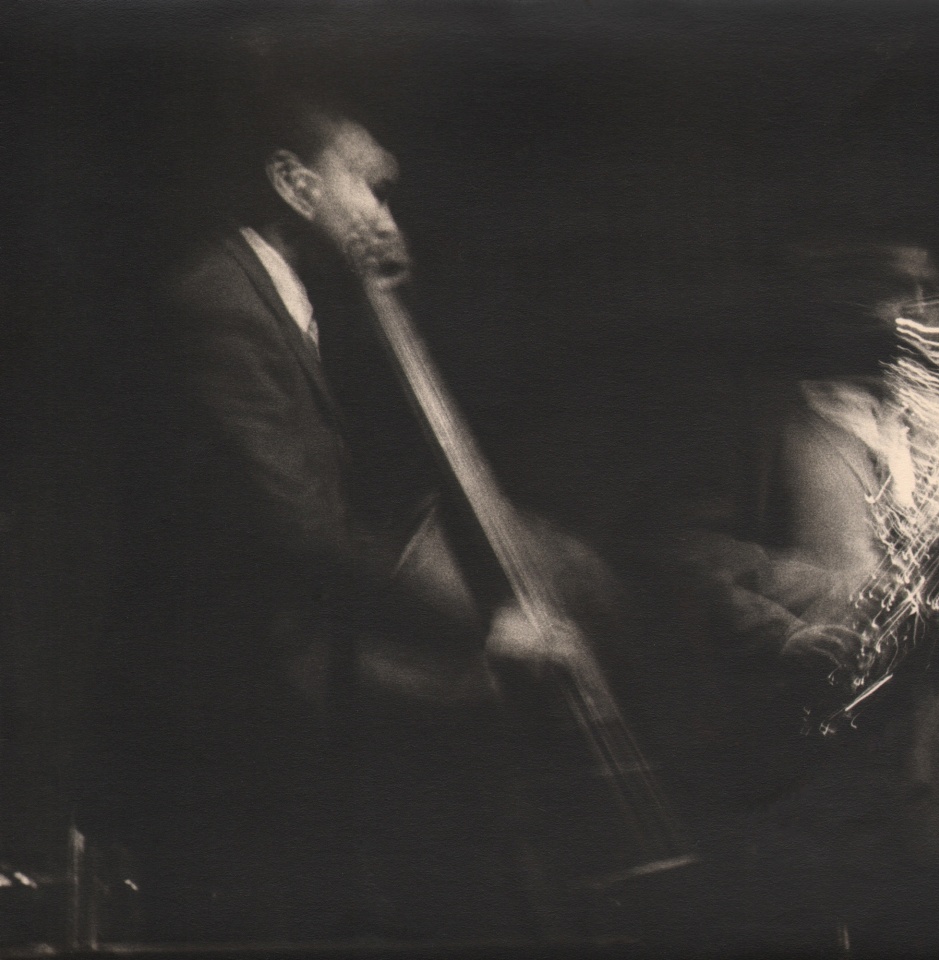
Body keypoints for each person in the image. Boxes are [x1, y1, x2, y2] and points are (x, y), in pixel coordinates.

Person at [92, 95, 599, 943]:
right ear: (294, 183)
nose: (384, 213)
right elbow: (292, 528)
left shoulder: (283, 297)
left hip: (281, 700)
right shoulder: (218, 300)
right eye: (370, 187)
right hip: (234, 716)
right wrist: (488, 628)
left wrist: (385, 297)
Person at [666, 243, 939, 950]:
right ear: (837, 301)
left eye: (934, 285)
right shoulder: (760, 421)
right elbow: (675, 551)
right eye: (901, 287)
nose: (933, 308)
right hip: (839, 764)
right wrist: (788, 631)